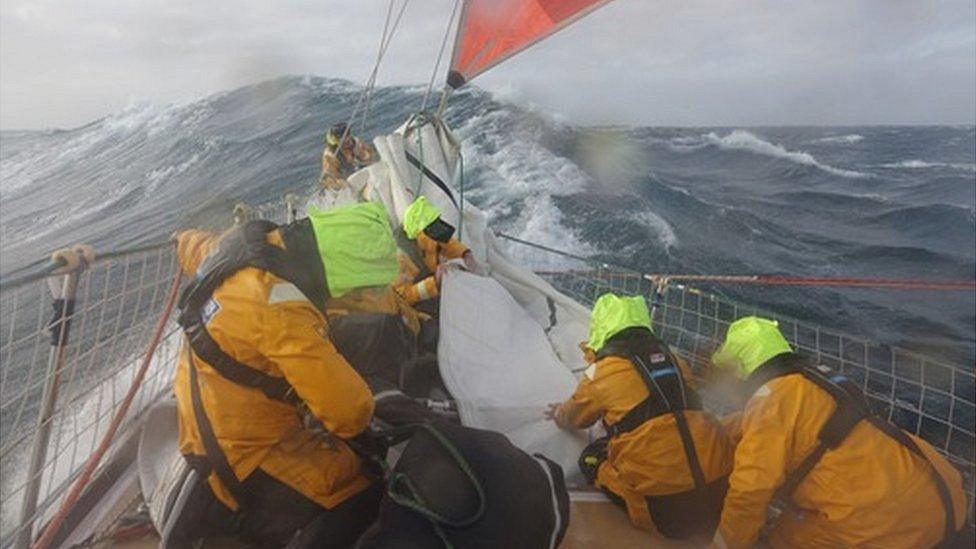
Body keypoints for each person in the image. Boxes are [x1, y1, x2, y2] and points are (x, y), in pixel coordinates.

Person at [171, 202, 401, 547]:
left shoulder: (243, 246)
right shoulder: (282, 307)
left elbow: (195, 246)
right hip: (243, 454)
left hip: (195, 423)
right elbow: (350, 414)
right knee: (363, 489)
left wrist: (181, 239)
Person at [710, 316, 969, 549]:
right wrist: (712, 428)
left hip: (889, 527)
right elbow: (776, 422)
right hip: (944, 497)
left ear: (743, 369)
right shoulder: (813, 381)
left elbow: (750, 490)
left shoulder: (770, 400)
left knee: (780, 540)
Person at [546, 293, 734, 541]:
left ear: (602, 328)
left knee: (592, 458)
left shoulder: (601, 372)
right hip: (718, 495)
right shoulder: (677, 362)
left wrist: (559, 412)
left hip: (665, 512)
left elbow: (574, 418)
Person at [393, 196, 477, 308]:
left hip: (431, 280)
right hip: (416, 304)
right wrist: (435, 282)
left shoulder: (430, 237)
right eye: (432, 228)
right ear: (419, 233)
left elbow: (448, 243)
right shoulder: (399, 260)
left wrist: (464, 253)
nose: (437, 232)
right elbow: (402, 298)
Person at [320, 122, 376, 190]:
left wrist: (366, 159)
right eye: (343, 140)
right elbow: (332, 177)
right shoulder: (330, 155)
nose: (347, 141)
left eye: (348, 136)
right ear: (336, 140)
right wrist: (346, 186)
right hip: (337, 179)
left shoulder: (355, 143)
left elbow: (368, 156)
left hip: (354, 170)